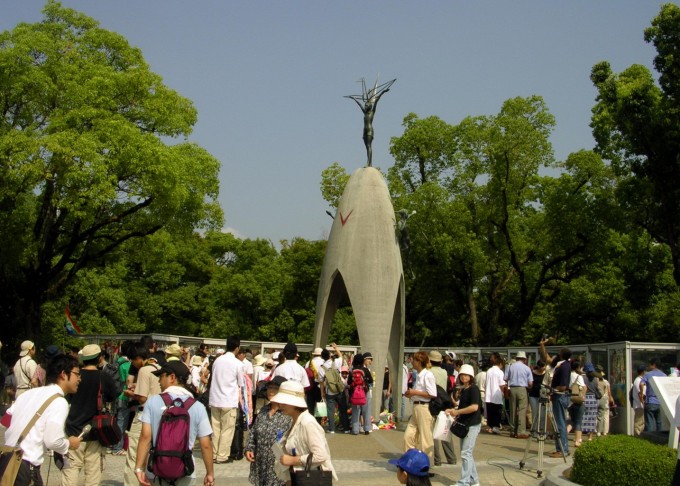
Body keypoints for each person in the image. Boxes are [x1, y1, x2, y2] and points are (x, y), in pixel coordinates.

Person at [3, 354, 83, 485]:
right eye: (77, 374)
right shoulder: (59, 402)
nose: (80, 379)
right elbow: (52, 441)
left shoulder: (27, 394)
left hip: (9, 461)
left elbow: (6, 420)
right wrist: (70, 443)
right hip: (27, 466)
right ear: (63, 374)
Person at [134, 361, 214, 486]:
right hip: (186, 471)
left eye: (161, 377)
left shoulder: (152, 402)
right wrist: (210, 473)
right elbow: (206, 444)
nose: (159, 381)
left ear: (172, 378)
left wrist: (139, 467)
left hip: (155, 471)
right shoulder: (198, 407)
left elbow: (145, 437)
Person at [61, 344, 120, 486]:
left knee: (71, 469)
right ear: (99, 358)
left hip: (73, 430)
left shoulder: (75, 376)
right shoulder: (103, 376)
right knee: (93, 473)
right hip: (95, 430)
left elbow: (66, 398)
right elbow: (114, 395)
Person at [273, 380, 337, 482]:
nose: (280, 405)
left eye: (284, 402)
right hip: (299, 478)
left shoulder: (307, 422)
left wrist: (293, 460)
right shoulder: (294, 420)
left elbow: (320, 455)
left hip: (310, 479)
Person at [123, 343, 161, 486]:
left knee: (134, 454)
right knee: (149, 454)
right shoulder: (158, 368)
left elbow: (143, 398)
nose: (133, 364)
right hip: (158, 417)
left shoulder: (144, 370)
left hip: (143, 416)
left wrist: (130, 394)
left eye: (133, 360)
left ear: (138, 358)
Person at [244, 376, 292, 486]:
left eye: (275, 388)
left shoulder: (288, 413)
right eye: (270, 387)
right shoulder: (264, 410)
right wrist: (249, 448)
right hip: (261, 463)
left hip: (279, 465)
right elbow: (253, 431)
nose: (271, 391)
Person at [209, 335, 244, 464]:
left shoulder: (217, 361)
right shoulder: (237, 363)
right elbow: (240, 383)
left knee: (215, 428)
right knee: (227, 429)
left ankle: (213, 454)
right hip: (229, 400)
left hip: (215, 399)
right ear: (237, 347)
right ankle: (222, 456)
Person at [445, 364, 482, 486]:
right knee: (467, 453)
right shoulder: (464, 389)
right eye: (462, 375)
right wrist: (453, 410)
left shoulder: (473, 389)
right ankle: (474, 480)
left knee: (466, 453)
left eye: (466, 375)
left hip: (472, 424)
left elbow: (474, 407)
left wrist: (457, 411)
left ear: (471, 376)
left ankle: (464, 482)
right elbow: (462, 406)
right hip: (466, 424)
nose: (464, 377)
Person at [403, 351, 436, 462]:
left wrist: (415, 392)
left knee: (425, 438)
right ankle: (411, 460)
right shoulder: (418, 375)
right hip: (416, 407)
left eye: (414, 360)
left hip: (424, 408)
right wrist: (411, 394)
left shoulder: (428, 375)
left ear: (419, 361)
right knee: (408, 436)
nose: (412, 362)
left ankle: (426, 465)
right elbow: (418, 393)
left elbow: (432, 394)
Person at [428, 350, 456, 466]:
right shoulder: (444, 372)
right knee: (445, 431)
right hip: (444, 404)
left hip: (432, 404)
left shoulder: (428, 372)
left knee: (433, 433)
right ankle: (451, 458)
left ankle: (436, 459)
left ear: (429, 360)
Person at [548, 347, 572, 458]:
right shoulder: (563, 365)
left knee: (561, 423)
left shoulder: (564, 367)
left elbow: (563, 386)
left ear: (562, 354)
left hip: (560, 396)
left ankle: (563, 449)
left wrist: (552, 389)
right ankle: (560, 448)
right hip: (559, 396)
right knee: (558, 423)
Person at [504, 351, 532, 438]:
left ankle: (513, 430)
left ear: (516, 358)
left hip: (512, 388)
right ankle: (521, 431)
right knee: (522, 410)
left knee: (513, 409)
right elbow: (530, 383)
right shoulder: (527, 368)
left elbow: (505, 378)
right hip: (522, 389)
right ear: (524, 359)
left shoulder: (510, 366)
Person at [639, 358, 666, 432]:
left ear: (654, 365)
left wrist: (641, 395)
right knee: (659, 422)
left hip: (650, 400)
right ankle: (660, 439)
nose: (649, 366)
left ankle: (650, 439)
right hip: (661, 402)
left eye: (650, 364)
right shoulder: (664, 375)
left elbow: (641, 384)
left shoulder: (648, 374)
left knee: (649, 421)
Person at [483, 352, 505, 434]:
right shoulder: (500, 372)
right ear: (500, 363)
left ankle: (490, 426)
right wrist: (505, 392)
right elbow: (502, 385)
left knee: (490, 412)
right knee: (497, 412)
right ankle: (495, 427)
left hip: (489, 395)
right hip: (497, 395)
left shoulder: (489, 371)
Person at [568, 361, 586, 447]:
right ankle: (578, 440)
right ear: (578, 367)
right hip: (578, 401)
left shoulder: (567, 375)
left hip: (569, 401)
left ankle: (564, 433)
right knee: (578, 421)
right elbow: (583, 387)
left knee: (573, 420)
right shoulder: (579, 376)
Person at [528, 360, 546, 437]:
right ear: (538, 366)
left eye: (544, 366)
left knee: (542, 414)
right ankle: (534, 430)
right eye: (542, 367)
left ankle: (541, 430)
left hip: (542, 395)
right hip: (533, 395)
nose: (543, 368)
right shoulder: (532, 372)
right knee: (535, 413)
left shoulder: (546, 373)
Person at [632, 364, 646, 436]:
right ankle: (637, 436)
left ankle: (641, 437)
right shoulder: (638, 380)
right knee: (638, 423)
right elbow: (640, 394)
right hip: (639, 405)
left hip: (641, 405)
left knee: (642, 422)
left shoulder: (641, 380)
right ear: (643, 371)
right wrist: (643, 403)